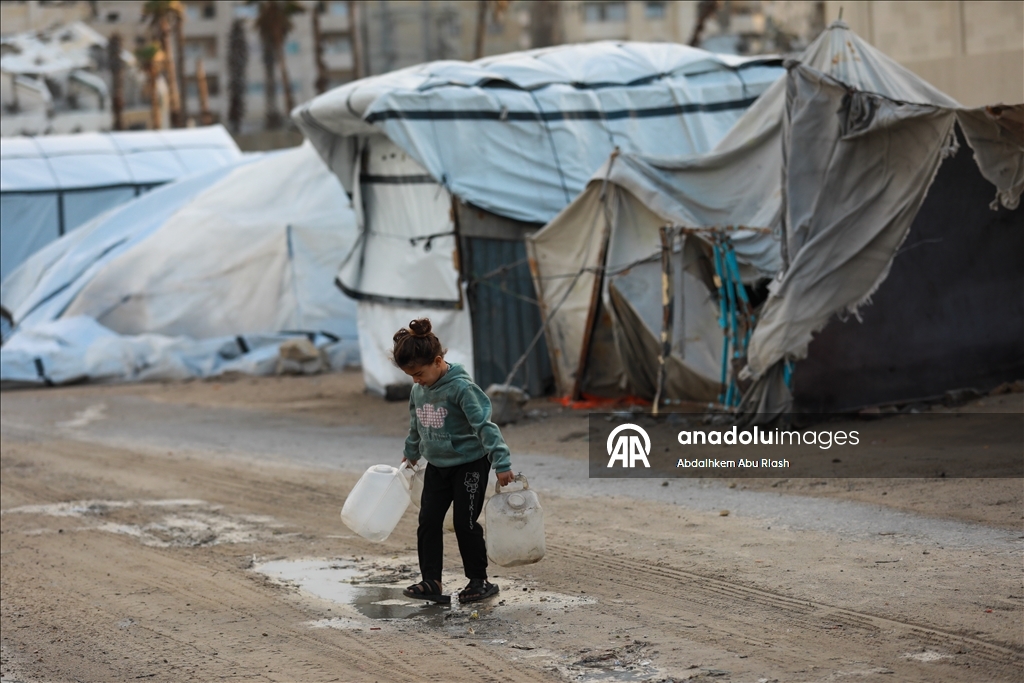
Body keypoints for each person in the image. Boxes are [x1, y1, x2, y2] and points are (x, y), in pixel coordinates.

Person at [394, 318, 514, 604]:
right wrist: (411, 452)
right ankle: (431, 581)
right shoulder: (418, 391)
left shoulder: (462, 389)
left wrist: (501, 462)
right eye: (411, 375)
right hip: (437, 466)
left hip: (470, 465)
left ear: (438, 361)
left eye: (419, 373)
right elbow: (416, 425)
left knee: (465, 522)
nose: (416, 380)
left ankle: (479, 581)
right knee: (428, 521)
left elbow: (485, 426)